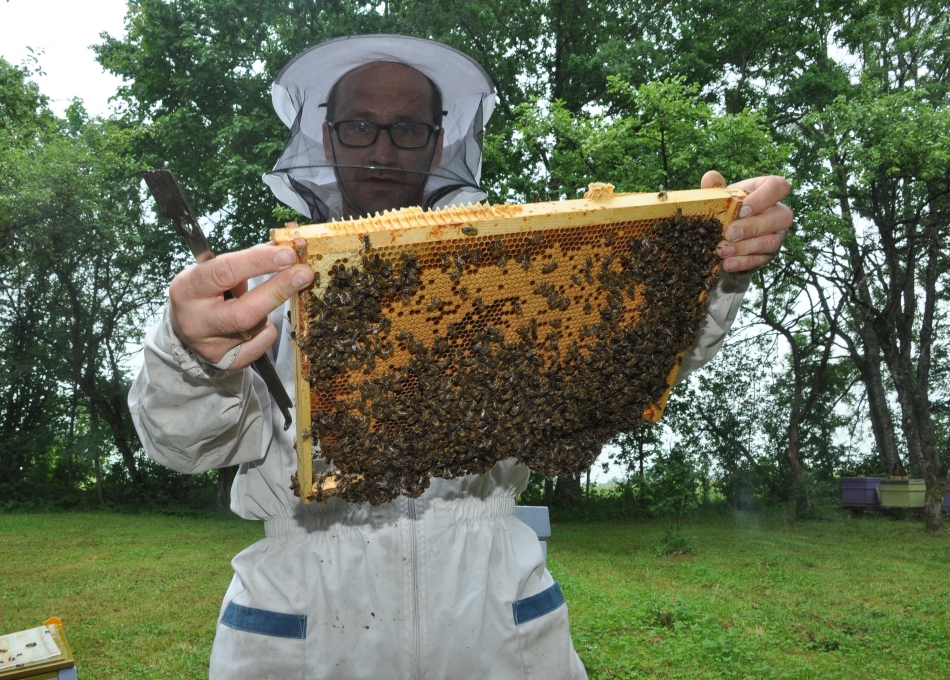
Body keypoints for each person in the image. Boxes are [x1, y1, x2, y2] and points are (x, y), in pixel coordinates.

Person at [129, 35, 791, 679]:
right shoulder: (258, 293)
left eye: (407, 127)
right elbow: (181, 445)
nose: (384, 147)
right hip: (307, 622)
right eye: (361, 124)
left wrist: (717, 264)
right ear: (327, 137)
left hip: (493, 618)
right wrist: (190, 353)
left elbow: (627, 354)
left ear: (439, 141)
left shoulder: (515, 279)